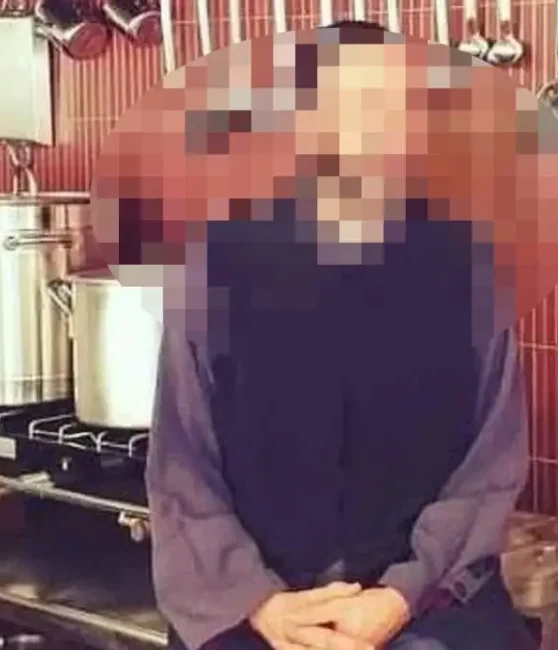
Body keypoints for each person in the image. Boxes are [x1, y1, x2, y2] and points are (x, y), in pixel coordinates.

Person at [145, 20, 538, 650]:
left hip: (429, 605)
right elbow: (183, 475)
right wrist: (262, 604)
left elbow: (488, 470)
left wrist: (400, 595)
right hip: (253, 611)